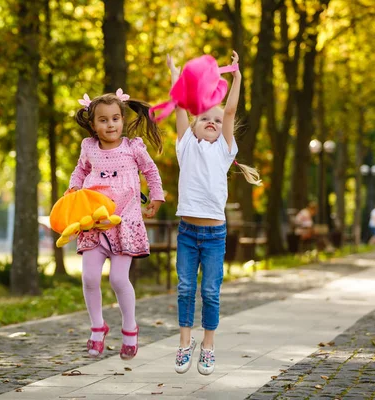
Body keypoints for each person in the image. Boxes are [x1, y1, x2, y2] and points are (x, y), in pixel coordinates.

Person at [167, 52, 261, 375]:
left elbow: (231, 109)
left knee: (209, 290)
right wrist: (177, 78)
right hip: (188, 232)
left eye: (217, 120)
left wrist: (237, 79)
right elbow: (180, 106)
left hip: (214, 235)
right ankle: (184, 342)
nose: (212, 121)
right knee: (184, 287)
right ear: (194, 123)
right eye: (205, 117)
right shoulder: (185, 146)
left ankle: (208, 344)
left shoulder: (224, 149)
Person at [67, 89, 165, 360]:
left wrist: (156, 196)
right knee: (88, 278)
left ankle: (130, 328)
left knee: (119, 279)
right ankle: (97, 329)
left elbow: (151, 171)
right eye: (102, 120)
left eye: (114, 119)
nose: (109, 125)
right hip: (94, 223)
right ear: (93, 124)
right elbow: (80, 170)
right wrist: (73, 187)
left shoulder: (133, 147)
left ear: (122, 119)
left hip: (125, 222)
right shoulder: (89, 147)